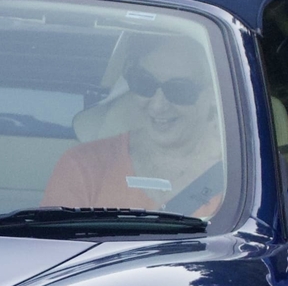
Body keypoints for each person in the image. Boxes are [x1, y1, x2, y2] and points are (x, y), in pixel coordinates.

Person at [42, 35, 225, 218]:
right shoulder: (83, 167)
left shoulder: (242, 177)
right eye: (145, 83)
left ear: (213, 95)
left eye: (179, 89)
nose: (158, 105)